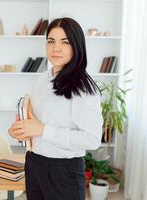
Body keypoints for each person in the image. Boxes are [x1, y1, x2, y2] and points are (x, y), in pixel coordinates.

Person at [8, 17, 103, 200]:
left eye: (64, 42)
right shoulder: (44, 78)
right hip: (34, 163)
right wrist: (19, 130)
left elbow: (92, 139)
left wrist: (42, 130)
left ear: (76, 45)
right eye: (51, 41)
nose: (55, 48)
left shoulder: (84, 88)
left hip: (63, 172)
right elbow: (35, 121)